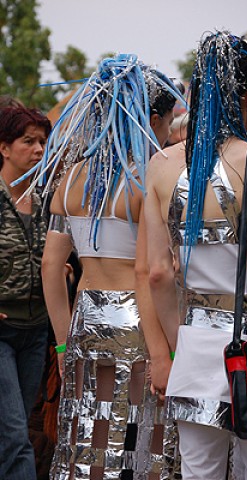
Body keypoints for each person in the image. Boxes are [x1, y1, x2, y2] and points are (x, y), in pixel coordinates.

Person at [20, 54, 185, 479]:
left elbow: (51, 266)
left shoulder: (72, 177)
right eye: (168, 123)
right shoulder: (152, 175)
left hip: (86, 316)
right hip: (140, 319)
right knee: (148, 434)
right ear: (150, 119)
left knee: (90, 434)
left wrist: (62, 341)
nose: (168, 134)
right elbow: (156, 268)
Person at [143, 31, 247, 479]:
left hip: (193, 343)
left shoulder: (162, 165)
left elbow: (156, 275)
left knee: (199, 468)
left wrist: (174, 348)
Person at [0, 106, 51, 480]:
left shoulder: (48, 198)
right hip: (2, 329)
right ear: (4, 148)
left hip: (36, 330)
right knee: (16, 435)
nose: (38, 149)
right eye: (28, 141)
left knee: (13, 432)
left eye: (43, 142)